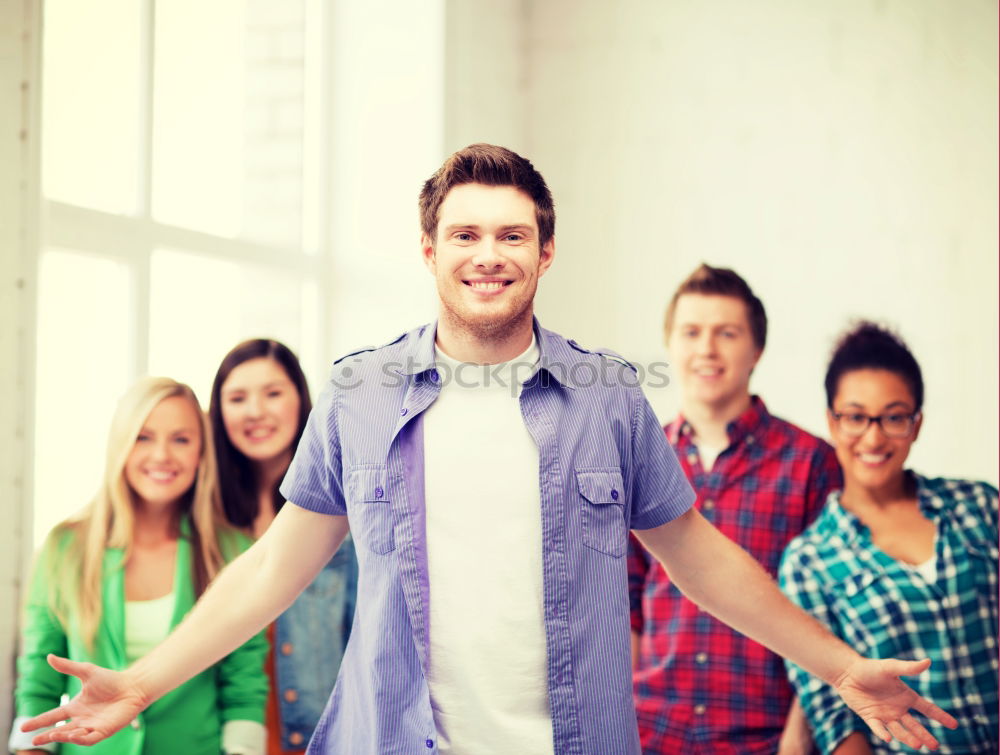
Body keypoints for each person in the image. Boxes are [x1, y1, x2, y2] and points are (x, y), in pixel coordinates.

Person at [21, 145, 958, 755]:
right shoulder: (361, 391)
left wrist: (840, 665)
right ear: (428, 248)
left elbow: (701, 557)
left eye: (513, 234)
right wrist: (142, 682)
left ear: (547, 252)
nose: (488, 254)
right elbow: (273, 569)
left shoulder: (605, 395)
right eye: (464, 233)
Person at [627, 263, 842, 754]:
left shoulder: (811, 463)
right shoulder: (641, 457)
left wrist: (796, 744)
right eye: (692, 332)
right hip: (654, 736)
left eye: (727, 333)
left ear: (756, 350)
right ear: (671, 345)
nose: (707, 349)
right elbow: (627, 610)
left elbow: (826, 617)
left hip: (763, 740)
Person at [8, 377, 267, 755]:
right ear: (120, 445)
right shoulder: (65, 547)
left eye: (181, 439)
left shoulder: (232, 550)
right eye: (144, 437)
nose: (162, 454)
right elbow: (38, 682)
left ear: (201, 452)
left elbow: (244, 685)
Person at [779, 322, 998, 754]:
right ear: (832, 422)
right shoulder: (809, 562)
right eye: (856, 417)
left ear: (916, 424)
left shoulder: (980, 506)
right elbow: (834, 718)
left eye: (894, 417)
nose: (874, 437)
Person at [209, 339, 358, 753]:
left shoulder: (341, 514)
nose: (256, 411)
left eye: (273, 393)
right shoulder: (207, 518)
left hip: (318, 736)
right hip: (228, 737)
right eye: (238, 398)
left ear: (301, 399)